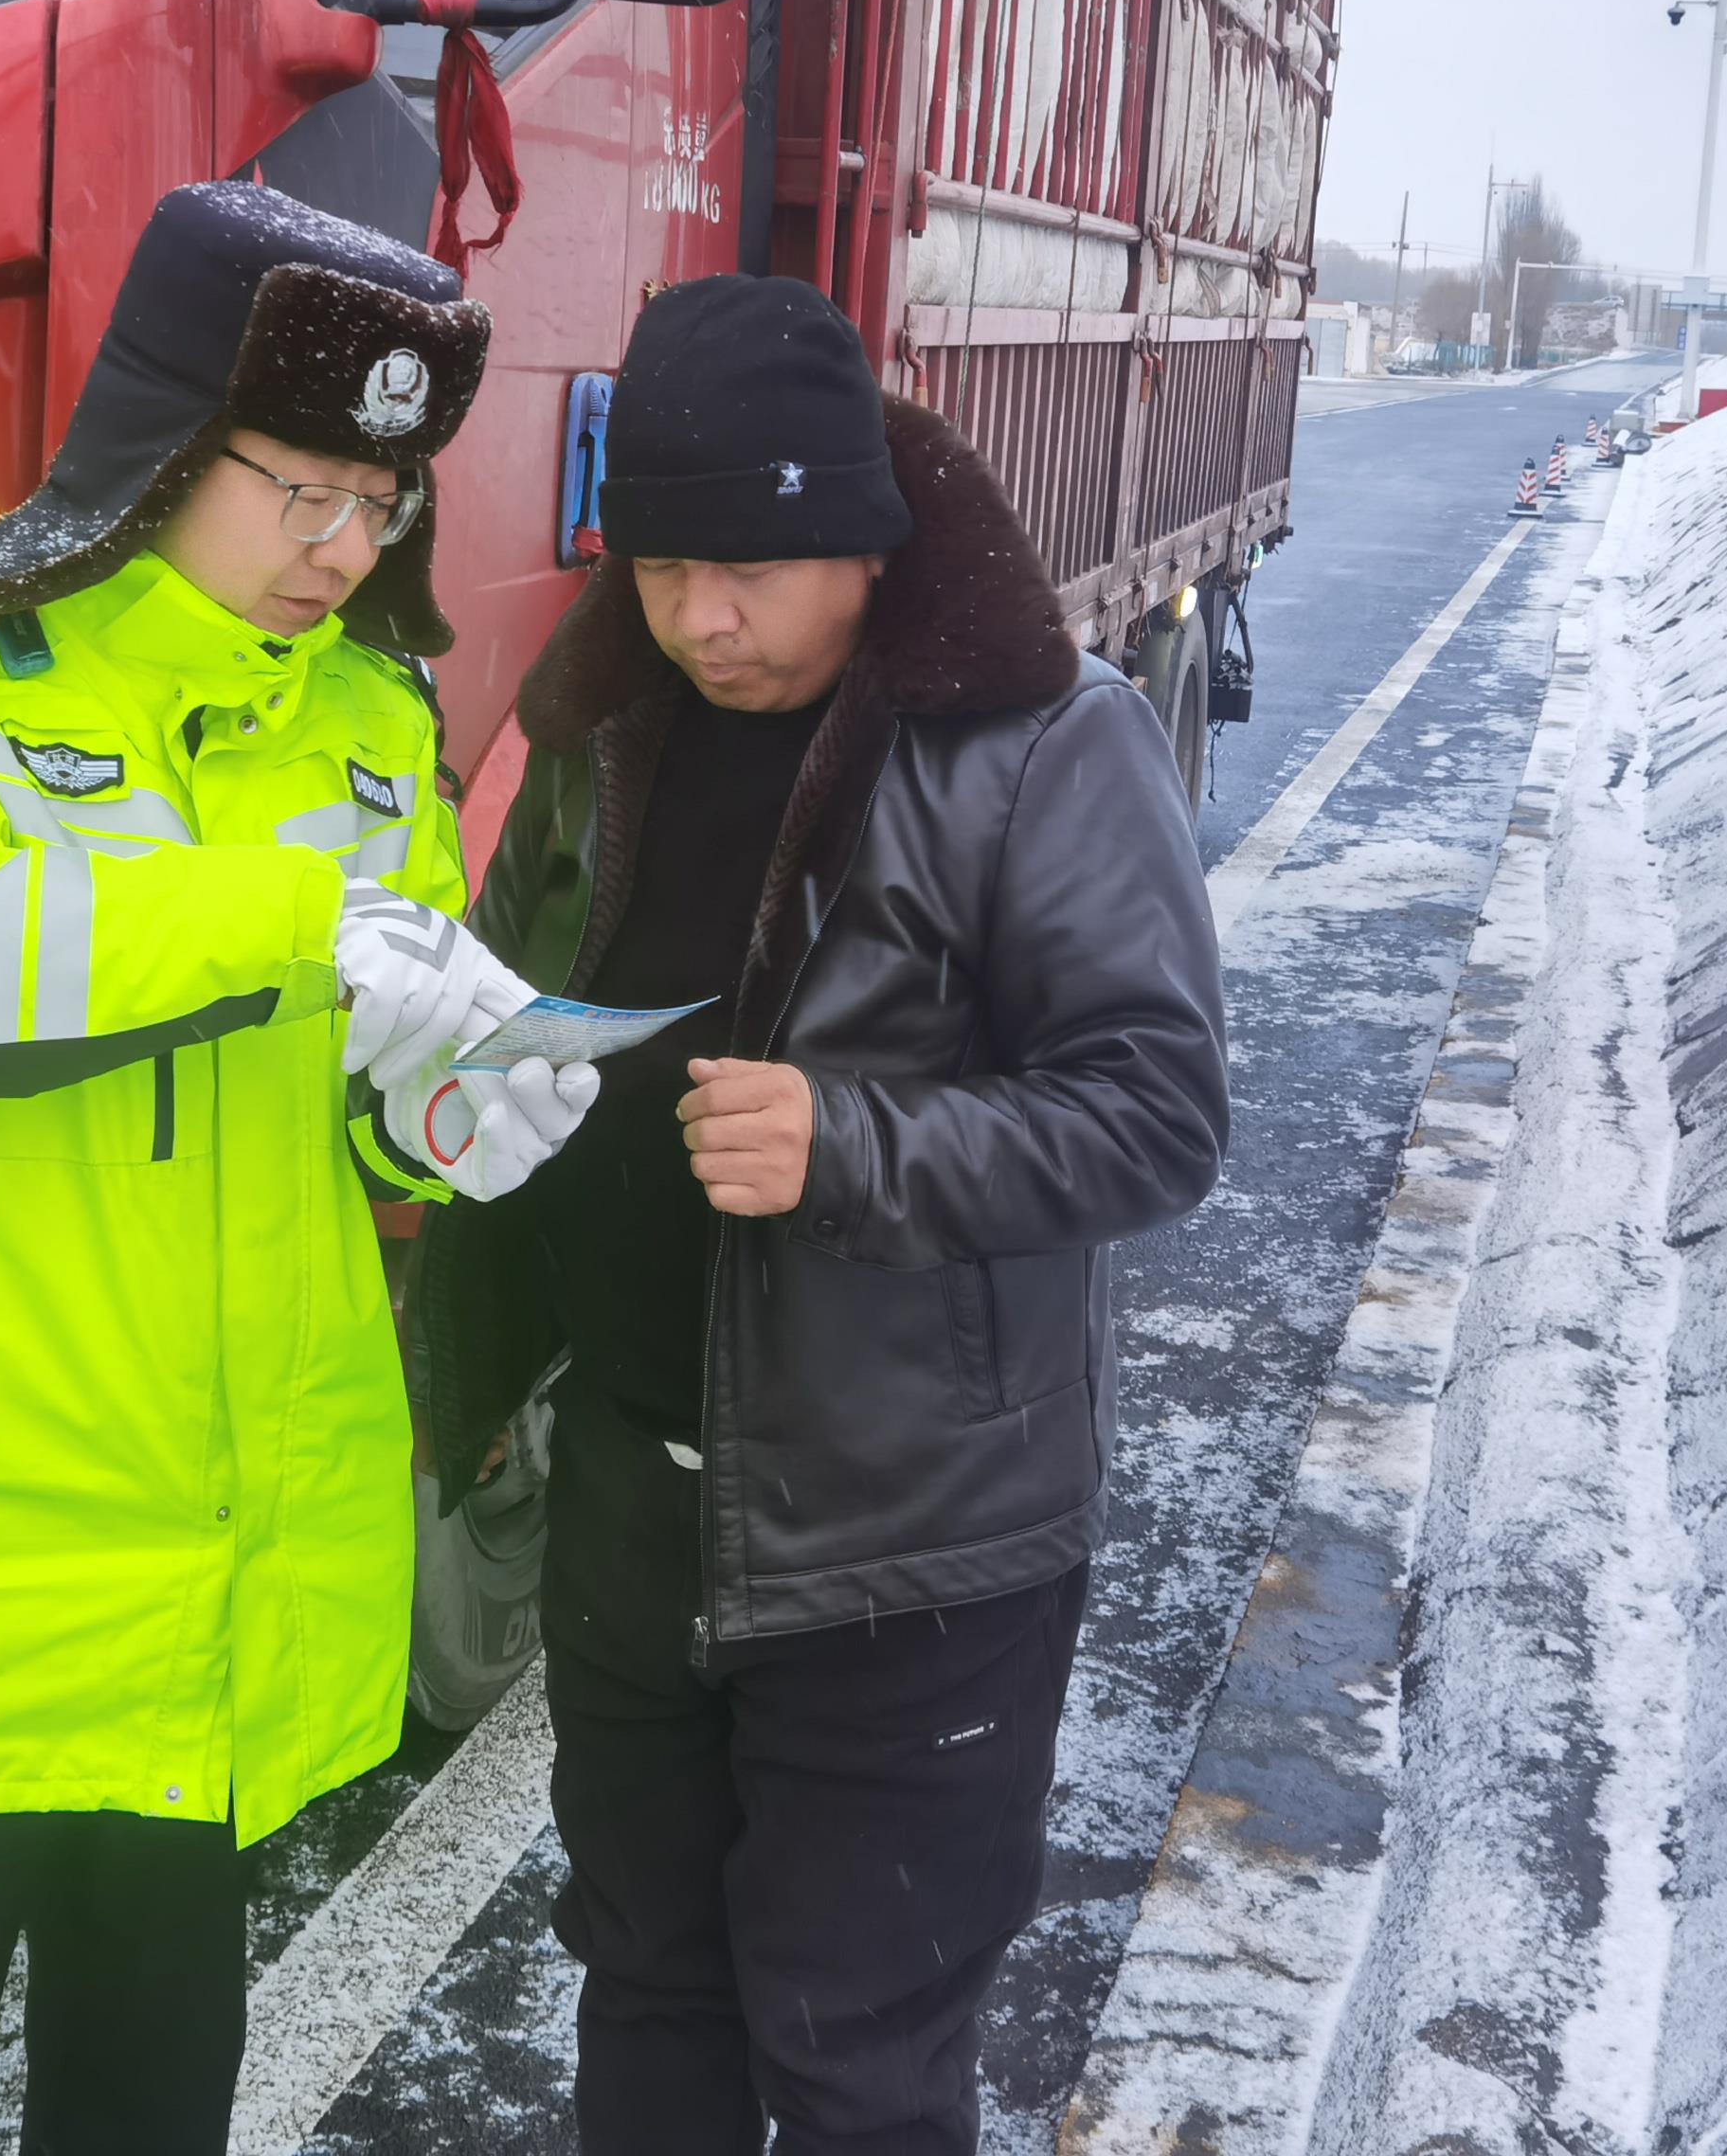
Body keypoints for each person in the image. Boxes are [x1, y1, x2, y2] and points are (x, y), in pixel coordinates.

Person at [0, 181, 597, 2156]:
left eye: (383, 507)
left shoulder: (366, 716)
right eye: (302, 491)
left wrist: (445, 1108)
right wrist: (291, 916)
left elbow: (344, 1072)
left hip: (214, 1616)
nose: (341, 551)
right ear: (166, 441)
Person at [421, 273, 1232, 2156]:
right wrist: (446, 1082)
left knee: (857, 2065)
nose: (702, 618)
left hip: (903, 1551)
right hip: (633, 1508)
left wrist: (850, 1145)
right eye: (661, 568)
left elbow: (1157, 1113)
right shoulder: (602, 725)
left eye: (751, 570)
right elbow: (503, 998)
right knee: (649, 1996)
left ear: (860, 537)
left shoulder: (1042, 742)